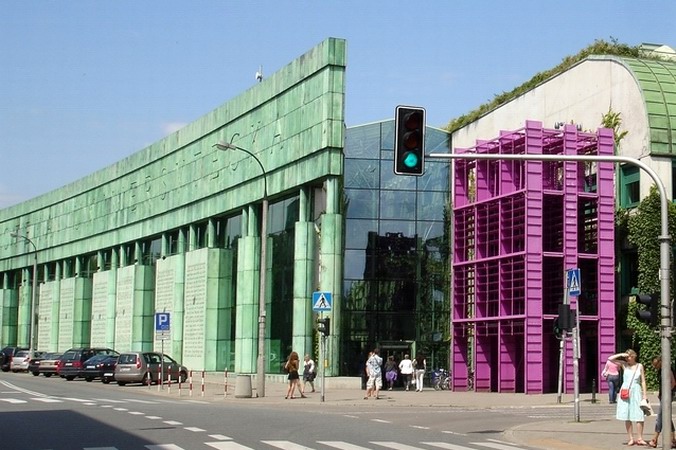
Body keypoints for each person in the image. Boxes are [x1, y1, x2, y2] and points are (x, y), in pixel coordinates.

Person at [609, 349, 648, 446]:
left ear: (634, 356)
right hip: (626, 391)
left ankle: (640, 438)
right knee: (627, 414)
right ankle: (630, 438)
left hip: (636, 390)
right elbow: (610, 359)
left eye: (629, 356)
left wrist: (644, 394)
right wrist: (622, 354)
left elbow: (643, 380)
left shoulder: (639, 366)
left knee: (639, 414)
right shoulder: (624, 365)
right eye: (626, 357)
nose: (627, 358)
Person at [647, 356, 676, 448]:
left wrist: (667, 393)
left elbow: (673, 383)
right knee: (666, 416)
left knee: (660, 416)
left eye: (656, 364)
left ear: (661, 362)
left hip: (667, 395)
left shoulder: (667, 369)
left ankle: (654, 439)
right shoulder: (661, 370)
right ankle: (673, 440)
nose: (655, 367)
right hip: (663, 395)